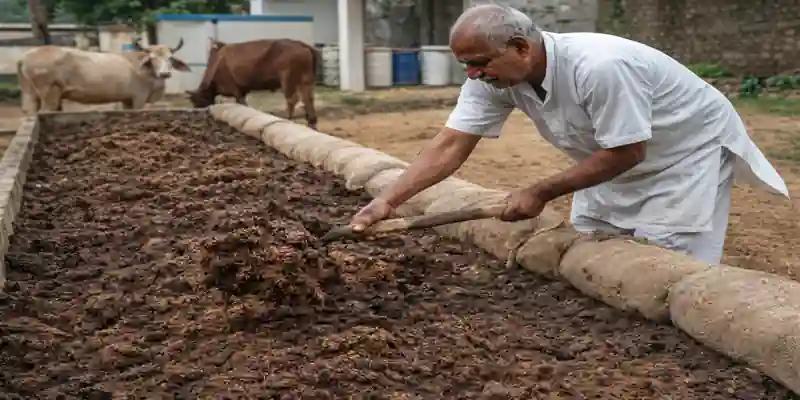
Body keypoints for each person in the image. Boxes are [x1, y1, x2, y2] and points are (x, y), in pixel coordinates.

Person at [346, 4, 790, 265]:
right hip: (608, 155)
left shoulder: (600, 66)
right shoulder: (493, 77)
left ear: (522, 48)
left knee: (666, 257)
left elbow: (629, 150)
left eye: (479, 61)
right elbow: (449, 145)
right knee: (594, 238)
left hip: (682, 153)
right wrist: (390, 199)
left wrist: (539, 190)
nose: (473, 73)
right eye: (466, 65)